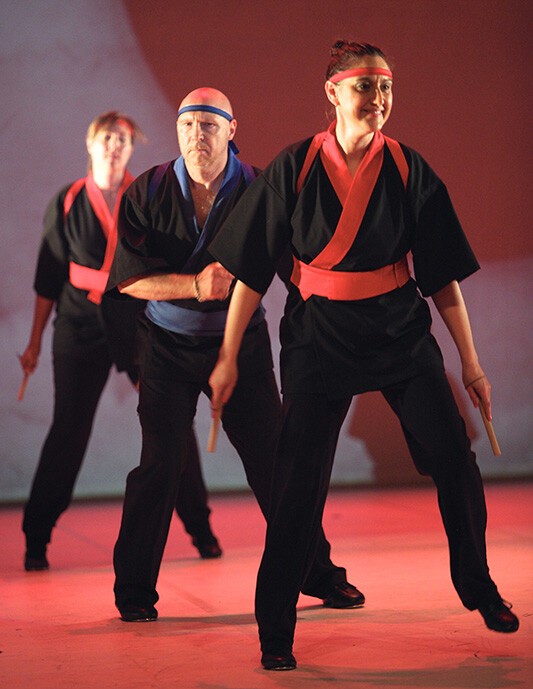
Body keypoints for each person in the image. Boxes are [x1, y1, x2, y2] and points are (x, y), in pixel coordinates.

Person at [208, 41, 520, 670]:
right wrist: (227, 357)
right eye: (365, 87)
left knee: (453, 457)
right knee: (297, 487)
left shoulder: (407, 167)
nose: (378, 98)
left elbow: (441, 277)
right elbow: (249, 274)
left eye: (385, 87)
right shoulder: (295, 167)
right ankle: (276, 632)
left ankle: (477, 584)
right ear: (333, 93)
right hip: (318, 336)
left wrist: (471, 362)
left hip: (399, 330)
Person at [106, 87, 364, 625]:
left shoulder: (260, 188)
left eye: (208, 124)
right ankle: (134, 591)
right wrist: (194, 285)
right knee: (160, 464)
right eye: (187, 124)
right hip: (167, 344)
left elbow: (297, 266)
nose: (196, 135)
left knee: (276, 463)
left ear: (231, 129)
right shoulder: (148, 189)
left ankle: (318, 574)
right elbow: (128, 281)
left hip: (240, 341)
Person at [20, 111, 221, 572]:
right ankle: (36, 536)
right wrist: (33, 343)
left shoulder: (146, 196)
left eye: (123, 140)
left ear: (131, 149)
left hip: (137, 322)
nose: (114, 145)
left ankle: (201, 528)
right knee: (68, 429)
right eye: (107, 138)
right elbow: (48, 279)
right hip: (79, 325)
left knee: (171, 424)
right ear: (90, 144)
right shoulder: (68, 201)